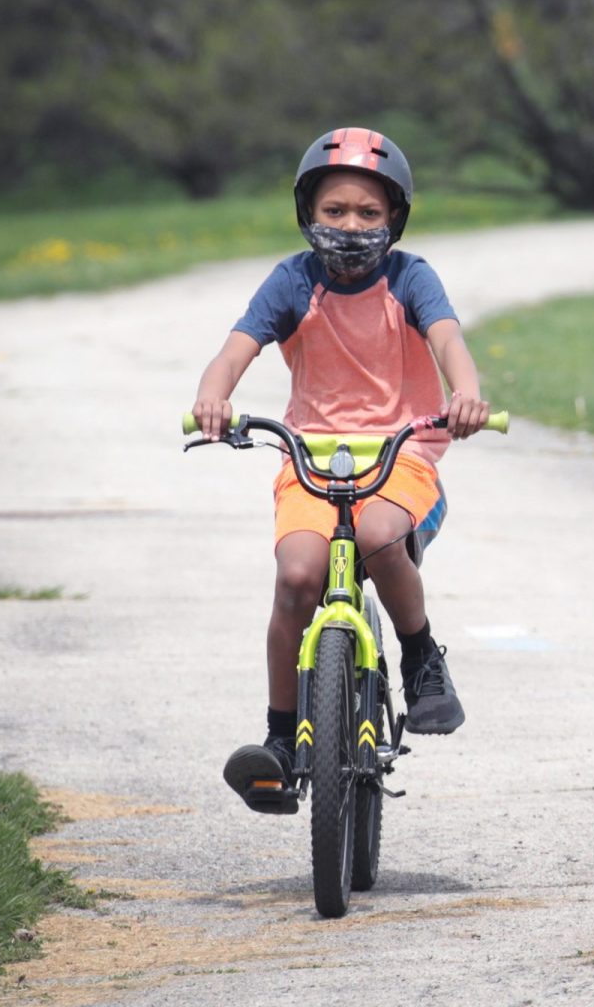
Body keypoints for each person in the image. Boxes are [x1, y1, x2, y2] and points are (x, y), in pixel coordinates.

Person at [191, 128, 490, 813]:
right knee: (298, 576)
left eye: (368, 213)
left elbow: (447, 338)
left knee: (383, 540)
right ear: (307, 214)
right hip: (312, 458)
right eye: (334, 212)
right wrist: (215, 394)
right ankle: (277, 737)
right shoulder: (294, 280)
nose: (350, 226)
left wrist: (465, 392)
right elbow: (236, 348)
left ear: (395, 219)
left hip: (401, 452)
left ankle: (421, 660)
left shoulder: (411, 277)